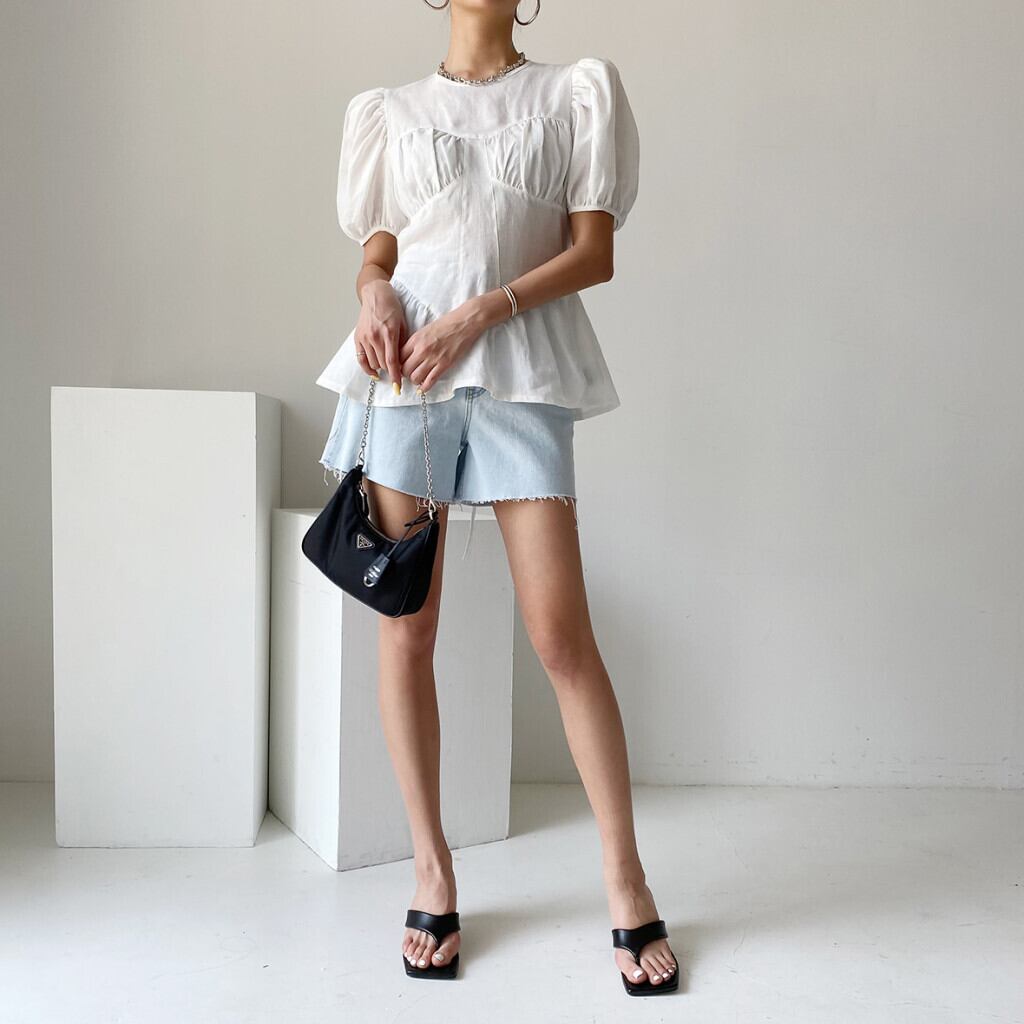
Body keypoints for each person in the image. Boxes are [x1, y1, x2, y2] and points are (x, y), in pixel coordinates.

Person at [314, 0, 678, 997]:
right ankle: (431, 871)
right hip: (405, 374)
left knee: (561, 639)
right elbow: (381, 251)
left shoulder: (574, 93)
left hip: (520, 367)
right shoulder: (387, 111)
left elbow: (594, 251)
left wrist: (483, 309)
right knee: (407, 626)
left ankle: (627, 881)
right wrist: (372, 290)